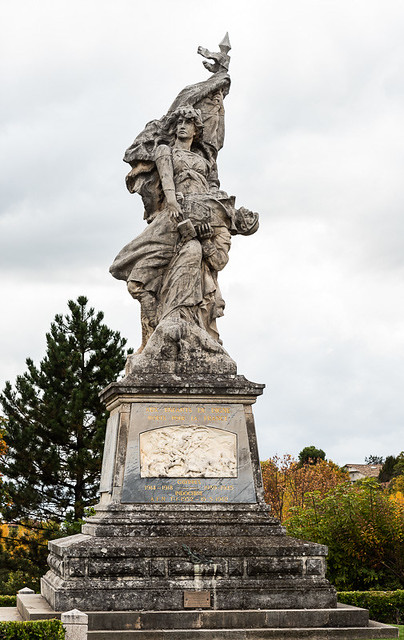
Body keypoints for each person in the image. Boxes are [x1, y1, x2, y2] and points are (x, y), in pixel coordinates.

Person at [110, 105, 258, 352]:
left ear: (196, 130)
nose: (182, 125)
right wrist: (173, 204)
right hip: (173, 215)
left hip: (200, 220)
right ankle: (155, 331)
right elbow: (167, 180)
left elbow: (212, 189)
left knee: (195, 258)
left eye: (188, 122)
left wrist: (216, 220)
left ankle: (180, 329)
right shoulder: (164, 150)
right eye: (179, 121)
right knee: (127, 269)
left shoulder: (203, 160)